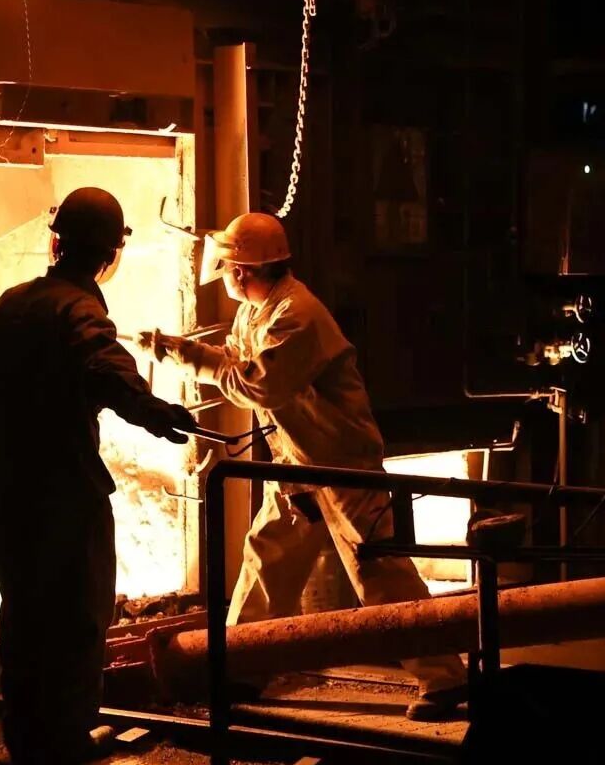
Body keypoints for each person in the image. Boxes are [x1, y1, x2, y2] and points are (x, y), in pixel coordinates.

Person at [138, 212, 467, 721]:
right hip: (298, 463)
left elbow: (258, 384)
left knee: (381, 573)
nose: (224, 276)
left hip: (342, 467)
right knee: (267, 558)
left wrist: (184, 358)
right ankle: (239, 669)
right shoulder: (256, 312)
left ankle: (445, 679)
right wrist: (176, 349)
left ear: (242, 270)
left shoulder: (297, 315)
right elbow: (236, 359)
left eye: (227, 268)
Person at [0, 187, 197, 765]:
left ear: (56, 242)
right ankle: (66, 741)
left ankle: (26, 740)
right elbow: (102, 364)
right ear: (110, 255)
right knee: (78, 617)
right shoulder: (78, 309)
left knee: (24, 614)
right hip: (62, 494)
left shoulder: (6, 305)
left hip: (4, 491)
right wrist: (154, 411)